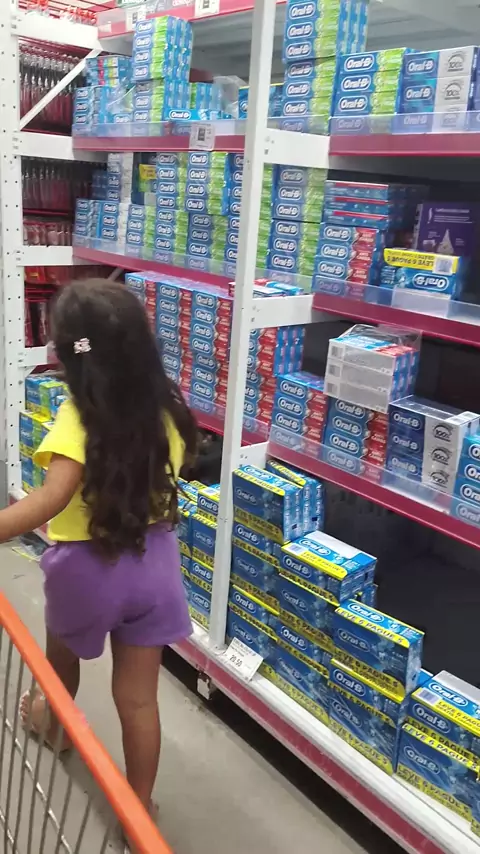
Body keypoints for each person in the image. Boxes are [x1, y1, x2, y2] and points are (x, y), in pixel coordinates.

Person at [0, 279, 196, 828]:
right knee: (139, 700)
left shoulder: (78, 418)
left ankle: (53, 726)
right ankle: (139, 807)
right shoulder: (167, 410)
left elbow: (49, 500)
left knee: (60, 667)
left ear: (68, 356)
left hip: (87, 571)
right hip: (156, 565)